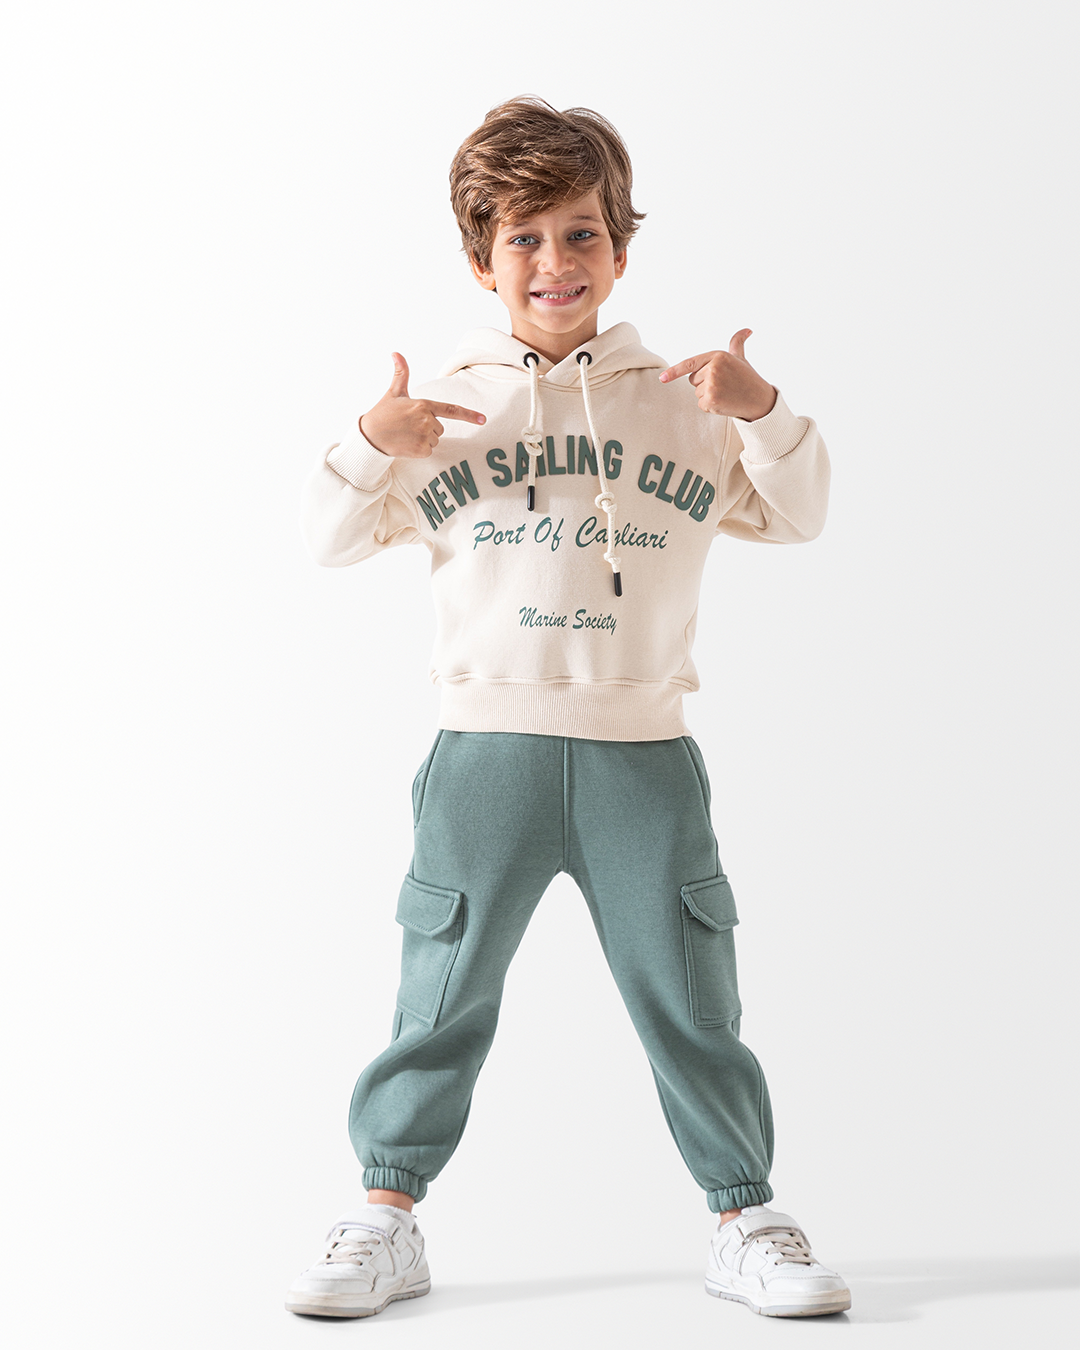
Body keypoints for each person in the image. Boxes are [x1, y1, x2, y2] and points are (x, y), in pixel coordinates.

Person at [287, 95, 850, 1321]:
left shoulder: (686, 401)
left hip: (641, 749)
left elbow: (800, 513)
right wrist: (372, 440)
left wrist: (761, 411)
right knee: (440, 986)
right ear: (481, 261)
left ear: (621, 248)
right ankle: (386, 1214)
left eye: (582, 233)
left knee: (691, 992)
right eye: (525, 238)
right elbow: (327, 537)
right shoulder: (442, 410)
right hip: (482, 747)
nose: (556, 262)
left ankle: (745, 1215)